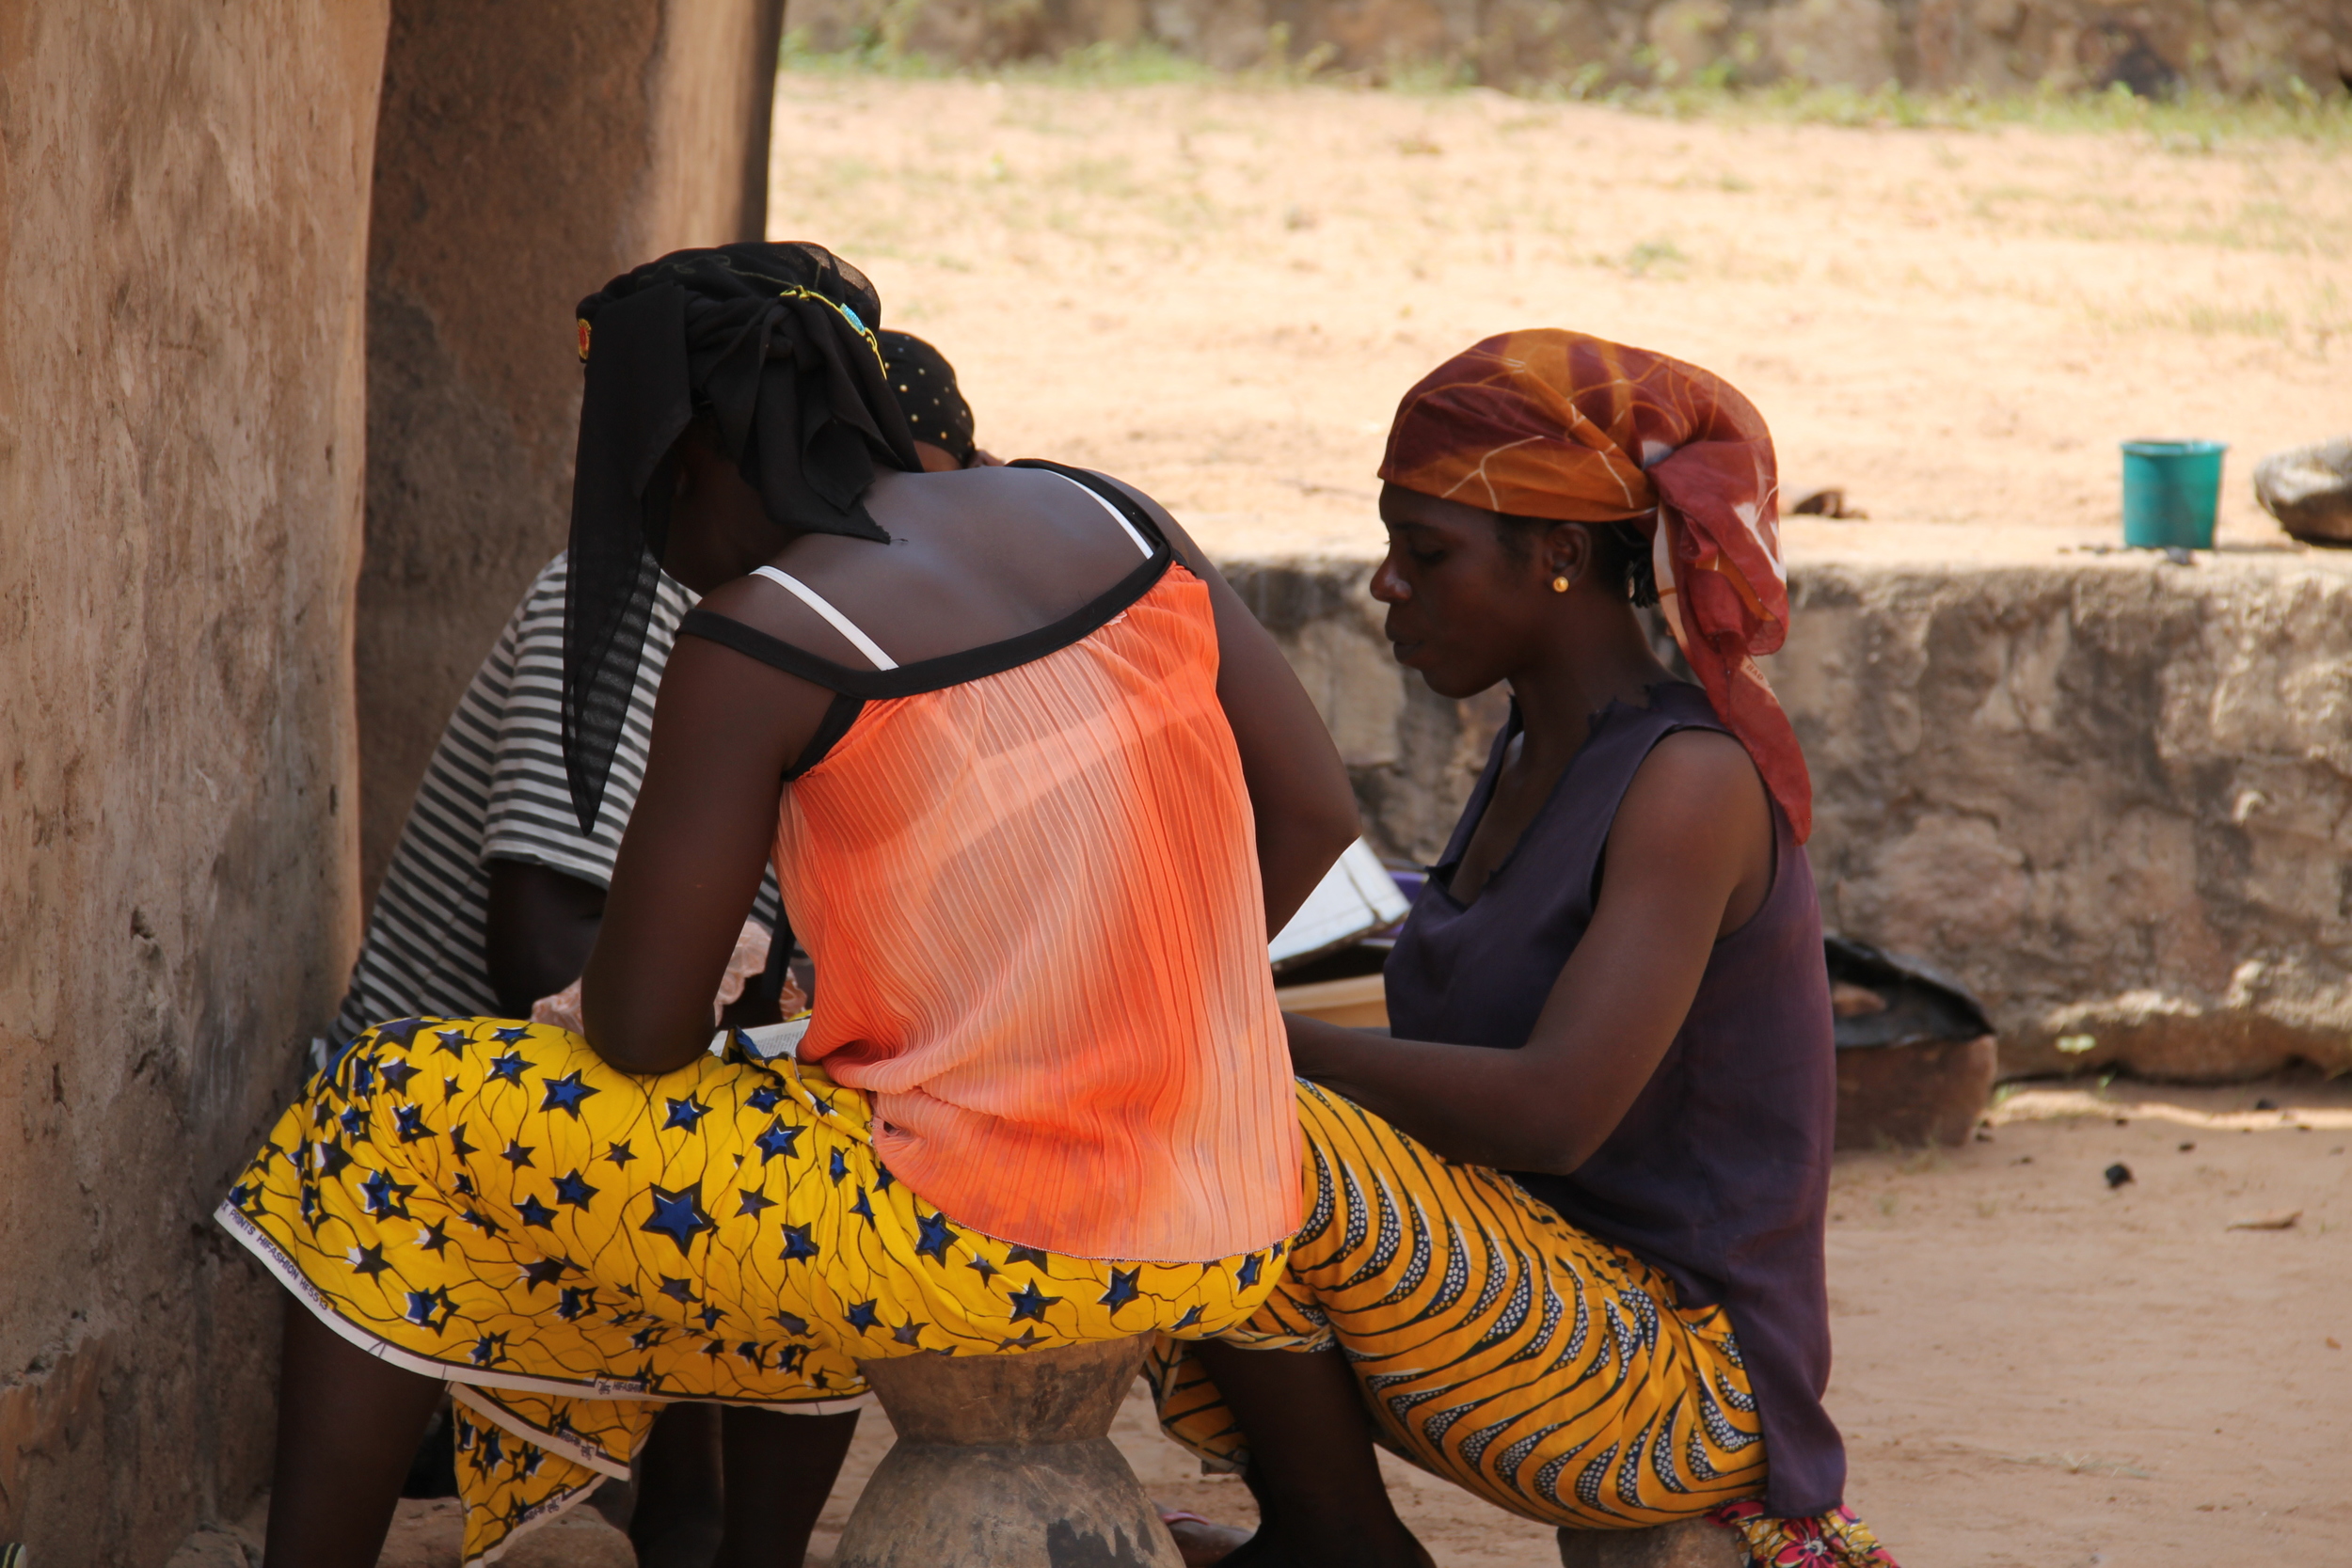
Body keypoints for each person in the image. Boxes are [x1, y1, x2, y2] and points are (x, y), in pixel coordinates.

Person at [217, 242, 1359, 1568]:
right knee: (802, 1129)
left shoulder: (764, 633)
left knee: (387, 1105)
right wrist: (1109, 1011)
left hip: (986, 1235)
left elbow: (641, 1031)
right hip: (1224, 1208)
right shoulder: (1116, 516)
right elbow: (1319, 818)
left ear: (693, 462)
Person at [1150, 332, 1899, 1568]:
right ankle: (1320, 1532)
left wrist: (1253, 1042)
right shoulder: (1529, 753)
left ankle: (1341, 1548)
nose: (1387, 586)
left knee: (1238, 1117)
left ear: (1558, 556)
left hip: (1677, 1381)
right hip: (1546, 1300)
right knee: (1190, 1114)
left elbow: (1554, 1114)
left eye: (1426, 552)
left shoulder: (1687, 783)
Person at [329, 325, 995, 1565]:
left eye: (932, 509)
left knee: (809, 1120)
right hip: (473, 1092)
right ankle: (700, 1515)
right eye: (868, 497)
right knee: (800, 1146)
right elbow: (543, 955)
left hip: (637, 1064)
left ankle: (708, 1518)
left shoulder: (878, 632)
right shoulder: (643, 606)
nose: (898, 543)